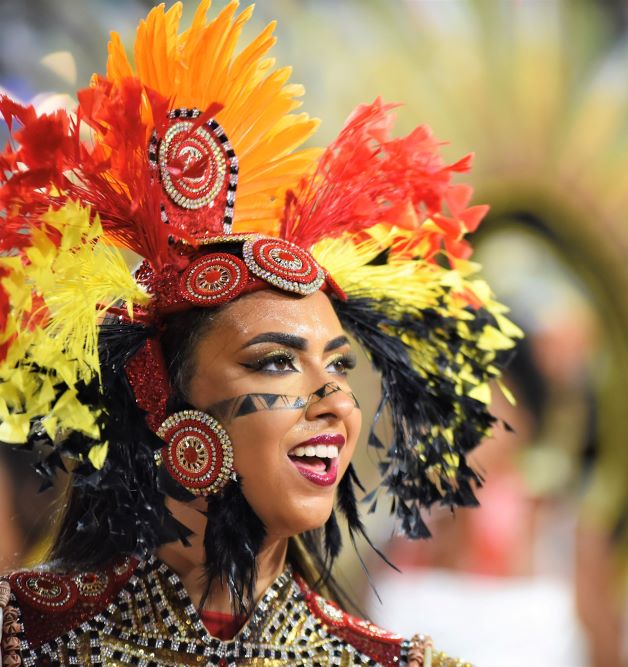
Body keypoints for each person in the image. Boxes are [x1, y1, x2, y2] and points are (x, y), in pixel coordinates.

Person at [0, 2, 519, 665]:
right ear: (162, 398)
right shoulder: (23, 635)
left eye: (336, 366)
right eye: (276, 363)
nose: (333, 400)